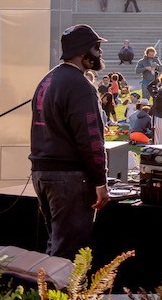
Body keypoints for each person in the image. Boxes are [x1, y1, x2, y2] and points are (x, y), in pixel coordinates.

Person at [29, 24, 110, 259]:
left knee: (55, 245)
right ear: (83, 52)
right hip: (68, 178)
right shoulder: (80, 85)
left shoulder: (48, 79)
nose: (100, 53)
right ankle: (59, 296)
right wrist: (100, 181)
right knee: (68, 253)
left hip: (43, 173)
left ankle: (46, 295)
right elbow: (91, 140)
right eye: (96, 48)